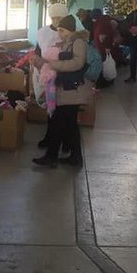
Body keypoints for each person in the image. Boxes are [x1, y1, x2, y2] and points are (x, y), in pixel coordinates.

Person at [31, 15, 92, 167]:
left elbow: (77, 63)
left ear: (71, 30)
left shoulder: (78, 42)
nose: (59, 33)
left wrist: (53, 65)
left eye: (62, 30)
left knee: (59, 123)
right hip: (67, 90)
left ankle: (52, 157)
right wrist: (43, 63)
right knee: (69, 125)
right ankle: (75, 157)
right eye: (58, 30)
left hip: (72, 90)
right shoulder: (68, 43)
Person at [34, 3, 68, 148]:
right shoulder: (42, 32)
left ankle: (65, 141)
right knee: (50, 107)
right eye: (53, 18)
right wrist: (38, 64)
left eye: (59, 18)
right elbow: (37, 52)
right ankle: (50, 137)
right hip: (47, 75)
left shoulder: (70, 33)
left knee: (63, 109)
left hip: (64, 75)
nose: (56, 21)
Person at [91, 8, 118, 88]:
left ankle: (103, 83)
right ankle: (108, 81)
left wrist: (107, 46)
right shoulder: (104, 20)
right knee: (106, 64)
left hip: (103, 48)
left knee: (103, 64)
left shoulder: (102, 22)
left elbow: (103, 36)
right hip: (104, 47)